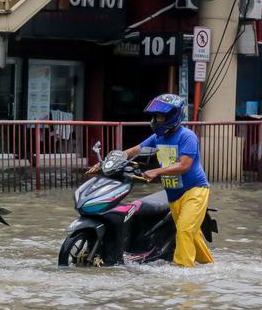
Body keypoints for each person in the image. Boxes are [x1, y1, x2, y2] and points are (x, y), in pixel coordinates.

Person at [89, 93, 213, 267]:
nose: (156, 120)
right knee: (189, 233)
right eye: (155, 116)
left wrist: (157, 171)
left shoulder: (187, 137)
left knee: (184, 231)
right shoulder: (158, 138)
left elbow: (184, 165)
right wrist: (107, 163)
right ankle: (210, 267)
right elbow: (134, 151)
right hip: (174, 195)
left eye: (161, 116)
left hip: (194, 191)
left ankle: (184, 277)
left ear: (173, 116)